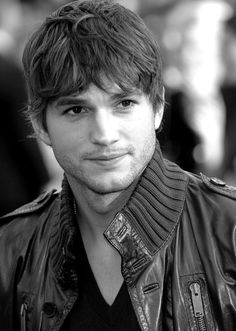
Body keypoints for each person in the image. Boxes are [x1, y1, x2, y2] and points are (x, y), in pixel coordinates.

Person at [0, 0, 235, 330]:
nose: (104, 135)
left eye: (123, 103)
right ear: (40, 125)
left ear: (157, 109)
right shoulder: (10, 251)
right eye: (76, 110)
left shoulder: (229, 232)